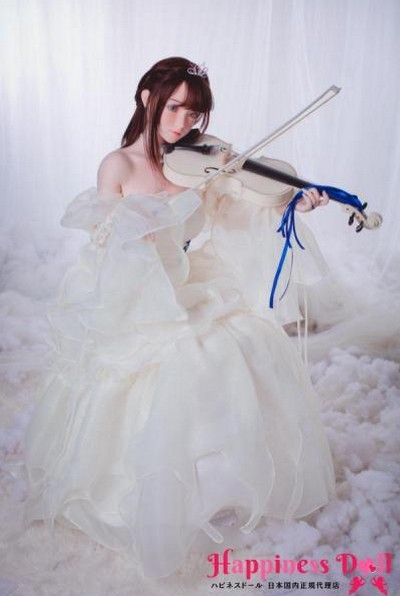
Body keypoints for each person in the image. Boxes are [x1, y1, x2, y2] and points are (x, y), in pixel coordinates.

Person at [23, 57, 335, 579]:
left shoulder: (199, 162)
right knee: (167, 367)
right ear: (147, 99)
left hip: (188, 282)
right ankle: (152, 491)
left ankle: (221, 482)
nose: (183, 123)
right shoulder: (118, 166)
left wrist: (291, 201)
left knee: (242, 342)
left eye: (193, 114)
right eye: (173, 108)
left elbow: (240, 205)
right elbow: (106, 249)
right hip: (133, 293)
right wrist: (138, 235)